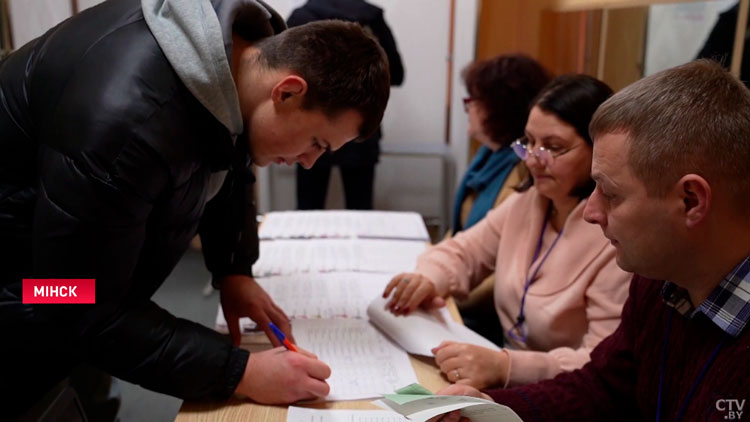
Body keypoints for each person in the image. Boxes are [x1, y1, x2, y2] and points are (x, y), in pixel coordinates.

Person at [0, 0, 390, 418]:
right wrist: (239, 372)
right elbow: (77, 303)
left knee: (84, 380)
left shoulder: (242, 60)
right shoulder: (125, 123)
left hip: (64, 256)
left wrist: (232, 269)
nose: (311, 162)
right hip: (27, 282)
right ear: (289, 91)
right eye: (317, 143)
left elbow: (226, 152)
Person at [433, 60, 750, 421]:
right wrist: (491, 410)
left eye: (611, 194)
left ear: (691, 201)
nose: (591, 212)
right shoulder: (659, 284)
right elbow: (602, 387)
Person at [382, 75, 631, 389]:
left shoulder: (617, 240)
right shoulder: (528, 203)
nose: (533, 160)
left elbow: (601, 362)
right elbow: (462, 251)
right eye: (528, 142)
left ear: (599, 151)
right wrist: (429, 277)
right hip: (507, 371)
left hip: (565, 394)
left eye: (553, 148)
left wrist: (507, 366)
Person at [451, 54, 551, 345]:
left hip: (487, 316)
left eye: (474, 100)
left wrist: (450, 295)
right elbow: (462, 237)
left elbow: (502, 268)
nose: (467, 108)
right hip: (466, 289)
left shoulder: (523, 171)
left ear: (499, 109)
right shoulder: (487, 158)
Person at [288, 0, 404, 210]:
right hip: (358, 125)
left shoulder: (301, 17)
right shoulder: (371, 17)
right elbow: (396, 73)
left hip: (310, 127)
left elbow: (283, 72)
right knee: (360, 209)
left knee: (308, 210)